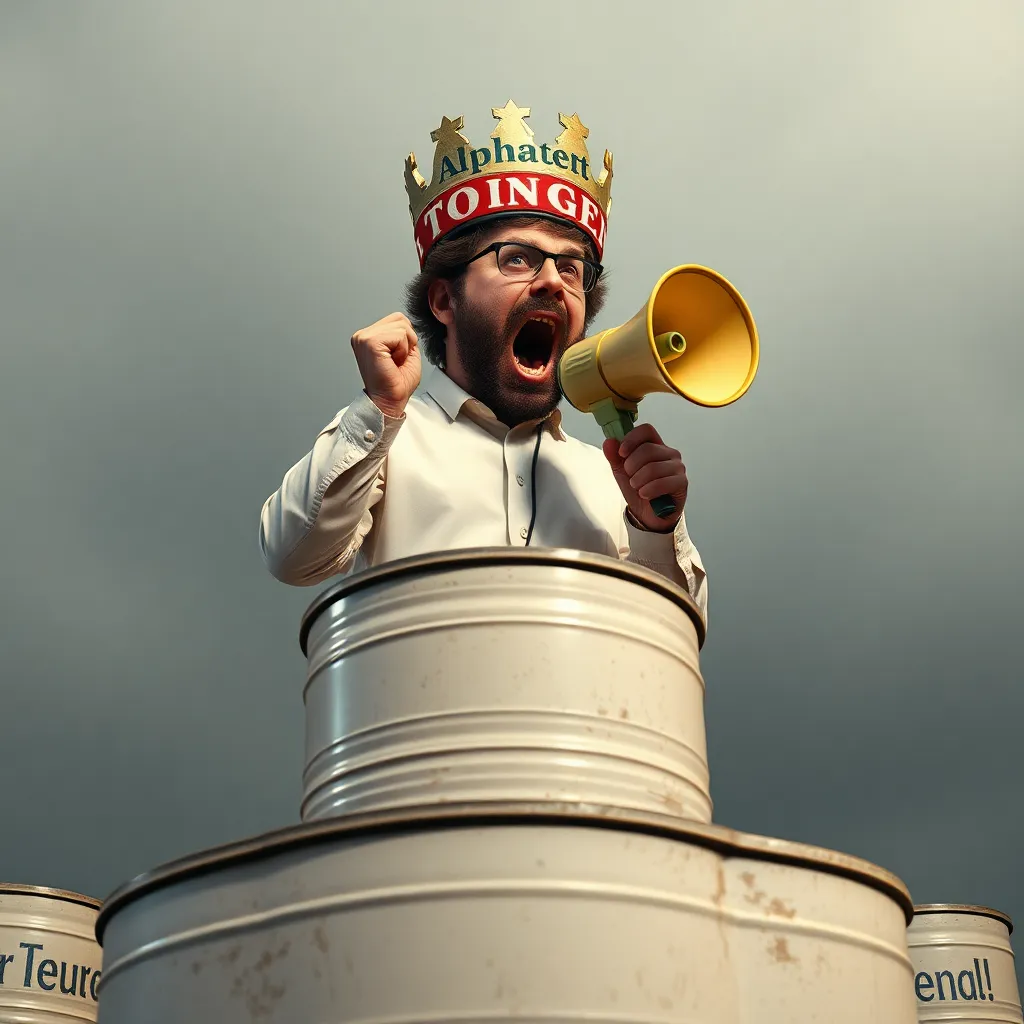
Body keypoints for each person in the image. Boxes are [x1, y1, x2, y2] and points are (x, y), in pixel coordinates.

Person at [259, 101, 707, 627]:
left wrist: (655, 530)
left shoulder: (608, 478)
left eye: (571, 267)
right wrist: (379, 408)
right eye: (517, 257)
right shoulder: (383, 440)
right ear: (445, 302)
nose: (551, 282)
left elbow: (670, 642)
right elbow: (292, 557)